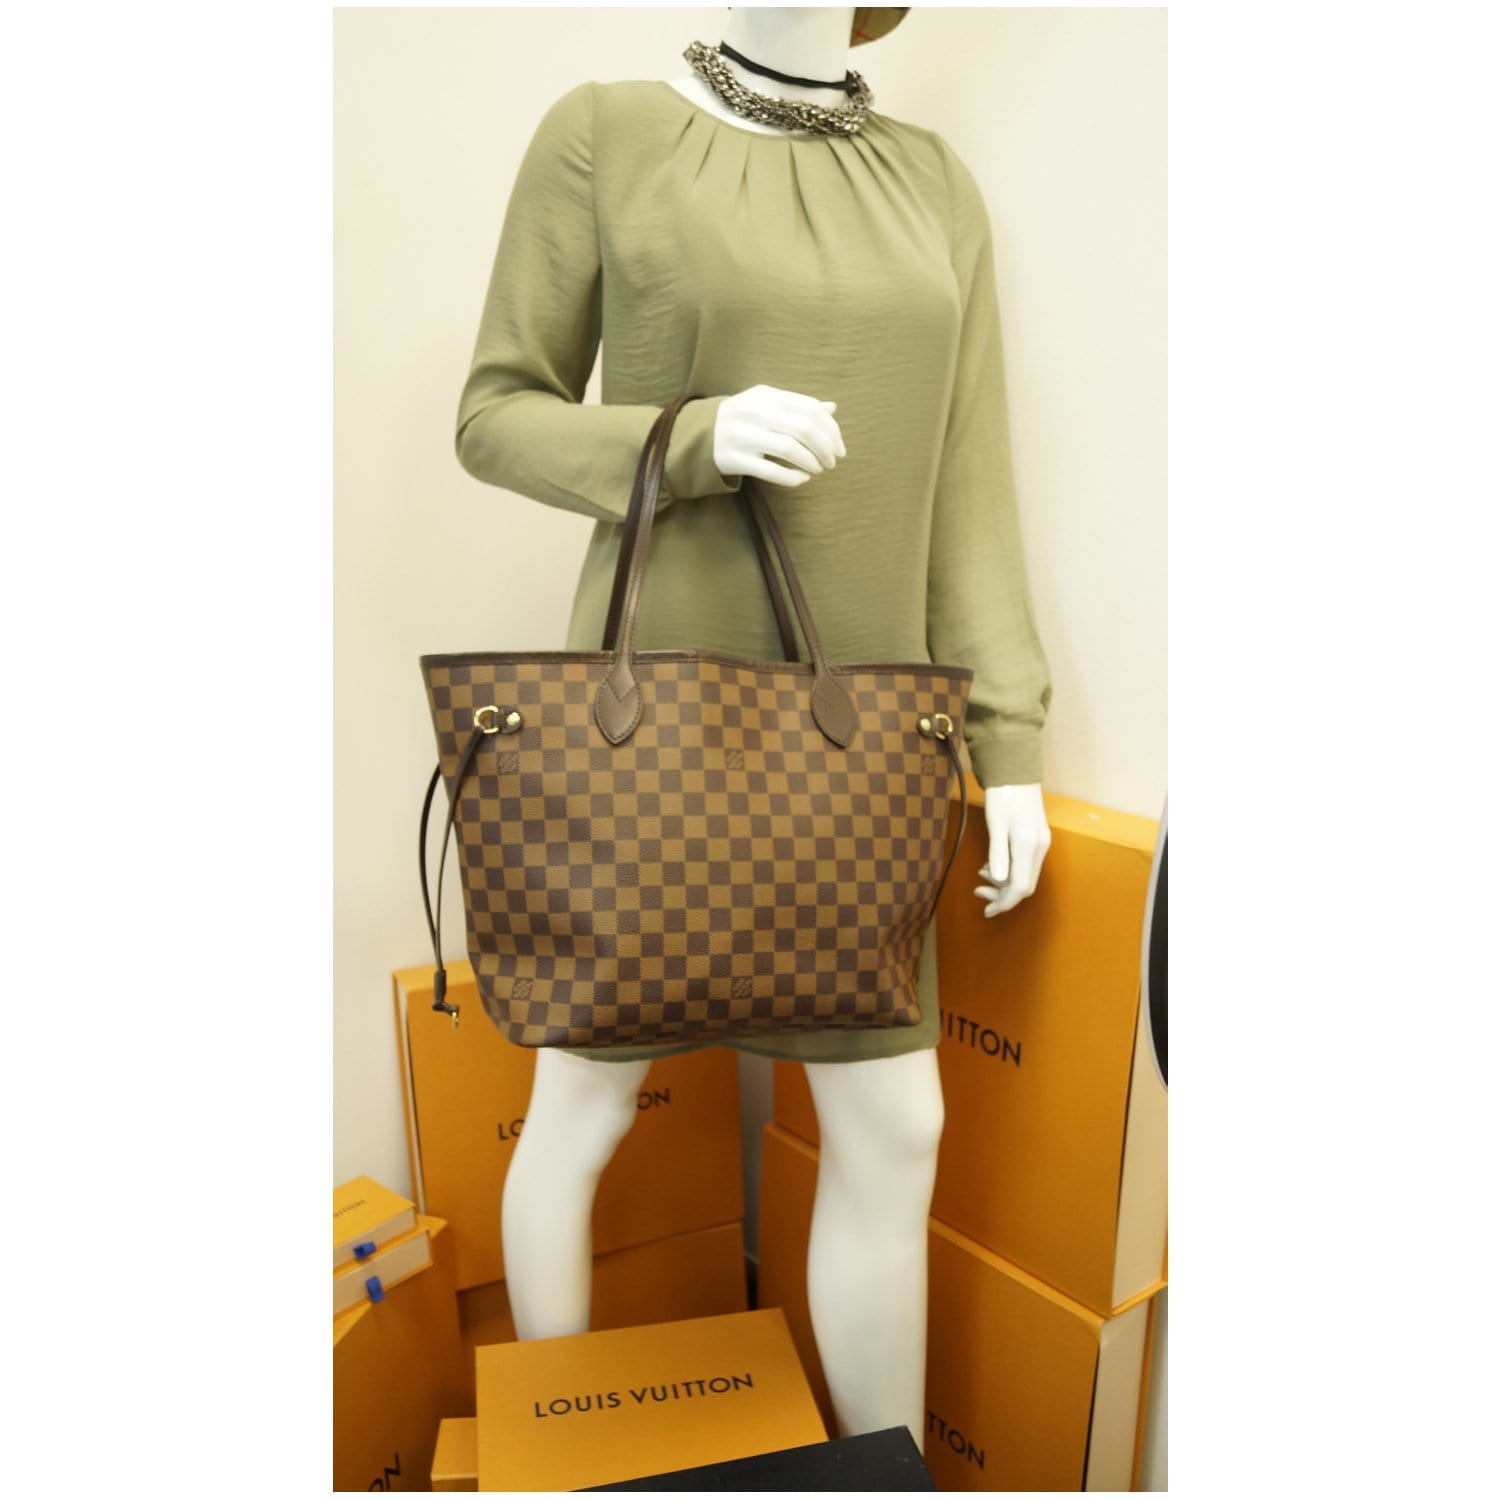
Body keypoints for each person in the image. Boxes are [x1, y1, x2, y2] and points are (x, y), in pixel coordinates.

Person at [452, 7, 1052, 1445]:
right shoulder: (607, 131)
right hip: (652, 724)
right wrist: (687, 435)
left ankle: (886, 1473)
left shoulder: (934, 182)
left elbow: (969, 492)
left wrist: (1011, 742)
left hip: (863, 744)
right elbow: (495, 413)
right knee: (583, 1111)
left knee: (894, 1125)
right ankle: (561, 1453)